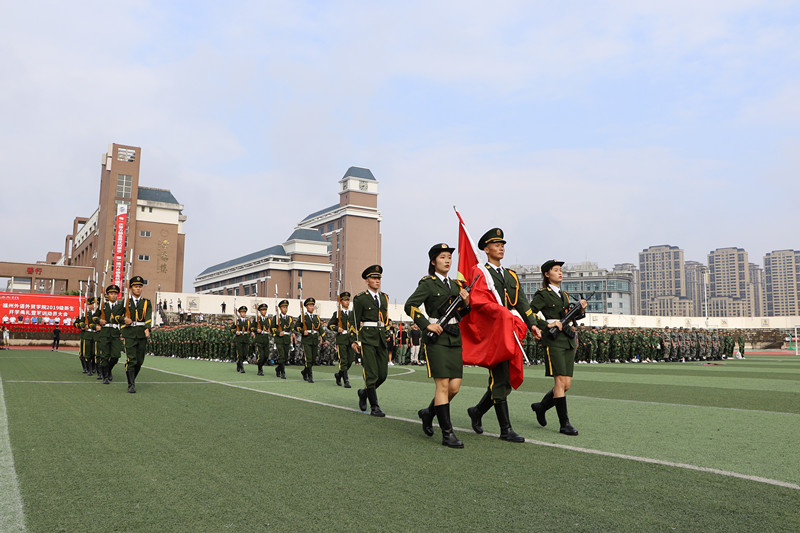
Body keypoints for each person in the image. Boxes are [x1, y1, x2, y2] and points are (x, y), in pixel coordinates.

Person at [466, 228, 542, 443]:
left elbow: (522, 302)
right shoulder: (481, 272)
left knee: (505, 378)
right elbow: (478, 301)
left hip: (510, 330)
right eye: (496, 245)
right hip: (493, 332)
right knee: (499, 378)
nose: (501, 248)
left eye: (502, 245)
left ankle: (477, 411)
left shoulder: (510, 275)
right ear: (486, 249)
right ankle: (505, 429)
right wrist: (500, 313)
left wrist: (533, 324)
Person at [405, 243, 471, 448]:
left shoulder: (456, 285)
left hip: (454, 337)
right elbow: (410, 305)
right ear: (433, 261)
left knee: (454, 387)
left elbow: (461, 314)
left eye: (449, 257)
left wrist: (467, 302)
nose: (447, 260)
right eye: (442, 257)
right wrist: (427, 325)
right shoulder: (428, 283)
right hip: (437, 339)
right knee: (442, 386)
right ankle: (447, 434)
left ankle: (428, 413)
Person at [529, 260, 587, 436]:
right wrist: (547, 324)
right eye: (555, 270)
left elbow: (572, 316)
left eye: (561, 270)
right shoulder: (543, 294)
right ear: (547, 274)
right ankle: (564, 424)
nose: (560, 273)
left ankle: (541, 407)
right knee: (560, 382)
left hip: (567, 340)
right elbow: (529, 313)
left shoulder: (565, 295)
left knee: (566, 384)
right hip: (553, 341)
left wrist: (581, 310)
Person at [352, 265, 389, 417]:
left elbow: (385, 318)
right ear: (367, 281)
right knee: (371, 373)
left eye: (379, 278)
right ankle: (375, 406)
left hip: (381, 337)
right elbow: (354, 321)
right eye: (374, 278)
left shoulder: (384, 297)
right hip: (367, 337)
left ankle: (364, 393)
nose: (377, 280)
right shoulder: (360, 298)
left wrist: (387, 332)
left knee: (383, 374)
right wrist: (355, 340)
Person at [121, 276, 153, 393]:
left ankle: (132, 379)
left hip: (141, 334)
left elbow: (148, 316)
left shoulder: (146, 302)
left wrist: (147, 328)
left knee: (139, 361)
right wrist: (124, 320)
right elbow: (117, 316)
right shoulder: (125, 302)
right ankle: (131, 384)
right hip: (129, 333)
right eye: (135, 286)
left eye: (140, 286)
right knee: (132, 360)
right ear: (131, 288)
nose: (138, 289)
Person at [95, 284, 124, 384]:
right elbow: (94, 317)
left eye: (115, 294)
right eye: (111, 293)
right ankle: (105, 376)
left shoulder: (120, 307)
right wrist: (99, 320)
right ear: (107, 295)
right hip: (105, 333)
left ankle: (108, 369)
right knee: (104, 356)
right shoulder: (103, 306)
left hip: (115, 333)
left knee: (116, 356)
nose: (113, 295)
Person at [329, 291, 357, 388]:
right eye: (345, 300)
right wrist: (337, 328)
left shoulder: (352, 314)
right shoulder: (337, 313)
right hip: (341, 339)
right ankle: (346, 381)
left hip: (351, 339)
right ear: (341, 302)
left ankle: (339, 375)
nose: (347, 302)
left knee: (350, 360)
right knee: (343, 361)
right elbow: (330, 325)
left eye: (348, 300)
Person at [296, 297, 322, 383]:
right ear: (306, 307)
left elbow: (320, 328)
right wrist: (303, 331)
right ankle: (310, 376)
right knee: (309, 359)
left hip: (314, 339)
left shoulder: (316, 317)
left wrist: (324, 338)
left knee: (314, 359)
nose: (312, 307)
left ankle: (304, 371)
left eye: (313, 305)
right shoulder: (303, 317)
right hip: (306, 340)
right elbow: (296, 327)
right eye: (310, 305)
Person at [271, 300, 293, 379]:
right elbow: (272, 328)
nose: (285, 309)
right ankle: (283, 372)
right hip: (279, 339)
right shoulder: (276, 318)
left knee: (286, 356)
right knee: (281, 355)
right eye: (283, 307)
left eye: (286, 307)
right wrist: (278, 332)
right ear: (280, 308)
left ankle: (278, 369)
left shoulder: (289, 318)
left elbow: (292, 327)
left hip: (286, 339)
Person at [230, 306, 251, 373]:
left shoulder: (248, 322)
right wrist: (236, 332)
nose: (243, 314)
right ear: (239, 313)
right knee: (240, 353)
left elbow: (250, 329)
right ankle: (242, 367)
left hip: (246, 339)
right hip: (239, 339)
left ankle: (238, 363)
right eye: (242, 312)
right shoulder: (237, 321)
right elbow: (231, 329)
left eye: (244, 312)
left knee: (245, 354)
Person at [253, 303, 272, 376]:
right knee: (260, 356)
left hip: (266, 340)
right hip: (259, 339)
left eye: (265, 310)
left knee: (266, 356)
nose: (264, 311)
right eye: (263, 310)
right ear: (260, 311)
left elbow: (270, 328)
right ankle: (260, 369)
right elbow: (251, 327)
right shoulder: (257, 319)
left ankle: (261, 365)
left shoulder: (268, 320)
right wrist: (256, 330)